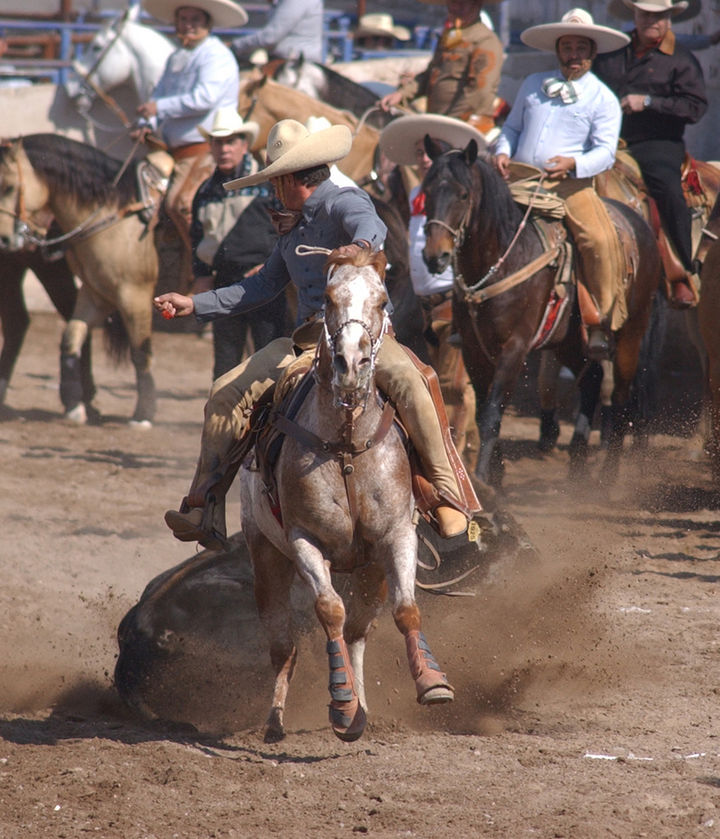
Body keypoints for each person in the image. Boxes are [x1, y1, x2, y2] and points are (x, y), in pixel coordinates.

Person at [154, 118, 481, 548]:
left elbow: (371, 226)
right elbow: (261, 286)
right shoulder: (293, 227)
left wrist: (359, 247)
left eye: (275, 181)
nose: (273, 190)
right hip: (308, 342)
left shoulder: (344, 201)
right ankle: (204, 506)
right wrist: (196, 303)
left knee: (413, 382)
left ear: (291, 179)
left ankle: (446, 495)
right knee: (224, 393)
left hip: (365, 338)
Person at [493, 9, 630, 360]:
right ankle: (465, 305)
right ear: (558, 50)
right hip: (521, 179)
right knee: (475, 220)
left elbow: (605, 153)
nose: (573, 54)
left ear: (592, 51)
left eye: (580, 47)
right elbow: (511, 128)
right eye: (567, 47)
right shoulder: (532, 84)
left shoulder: (603, 98)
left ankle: (599, 322)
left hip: (570, 187)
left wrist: (574, 165)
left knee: (599, 240)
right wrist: (503, 151)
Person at [379, 113, 487, 461]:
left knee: (454, 384)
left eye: (430, 151)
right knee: (442, 381)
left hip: (449, 296)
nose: (424, 158)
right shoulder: (419, 192)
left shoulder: (457, 194)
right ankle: (466, 457)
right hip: (423, 299)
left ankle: (459, 462)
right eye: (419, 152)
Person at [594, 0, 709, 309]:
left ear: (669, 18)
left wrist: (647, 102)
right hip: (608, 139)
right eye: (646, 14)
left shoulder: (681, 60)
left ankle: (684, 268)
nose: (652, 21)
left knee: (668, 190)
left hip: (657, 142)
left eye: (659, 15)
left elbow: (695, 107)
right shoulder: (612, 54)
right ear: (634, 15)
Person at [135, 0, 245, 250]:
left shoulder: (215, 54)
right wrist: (146, 122)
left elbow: (205, 97)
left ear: (207, 23)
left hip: (205, 148)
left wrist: (158, 109)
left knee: (180, 203)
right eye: (183, 19)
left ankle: (203, 259)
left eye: (195, 19)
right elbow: (158, 95)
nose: (188, 25)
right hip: (173, 149)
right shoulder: (177, 56)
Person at [190, 106, 290, 380]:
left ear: (244, 145)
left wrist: (275, 265)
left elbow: (289, 228)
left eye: (230, 141)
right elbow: (197, 235)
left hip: (267, 280)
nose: (224, 149)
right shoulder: (205, 191)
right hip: (225, 282)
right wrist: (201, 274)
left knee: (271, 359)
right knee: (225, 363)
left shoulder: (269, 183)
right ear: (211, 147)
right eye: (218, 142)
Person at [379, 0, 504, 135]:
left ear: (476, 5)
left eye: (462, 3)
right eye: (452, 2)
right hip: (440, 124)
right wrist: (401, 94)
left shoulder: (485, 40)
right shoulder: (450, 37)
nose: (455, 7)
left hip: (468, 127)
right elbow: (430, 74)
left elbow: (479, 92)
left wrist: (449, 124)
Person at [231, 0, 323, 65]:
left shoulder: (294, 2)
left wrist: (236, 45)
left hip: (294, 64)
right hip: (299, 61)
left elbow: (270, 37)